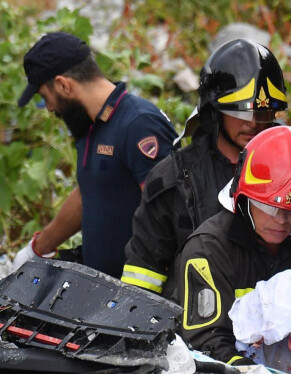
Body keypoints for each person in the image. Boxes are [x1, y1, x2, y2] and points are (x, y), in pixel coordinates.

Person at [122, 39, 291, 299]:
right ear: (214, 111)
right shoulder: (173, 178)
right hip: (199, 328)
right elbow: (143, 276)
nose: (254, 123)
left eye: (265, 113)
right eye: (240, 112)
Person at [13, 31, 177, 278]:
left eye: (45, 97)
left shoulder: (139, 125)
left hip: (139, 299)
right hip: (99, 293)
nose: (49, 108)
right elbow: (91, 191)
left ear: (63, 85)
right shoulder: (90, 125)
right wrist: (37, 249)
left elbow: (169, 216)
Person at [176, 125, 291, 365]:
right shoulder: (208, 250)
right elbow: (206, 344)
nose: (281, 220)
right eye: (270, 207)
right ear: (243, 198)